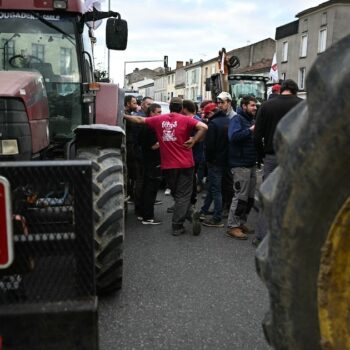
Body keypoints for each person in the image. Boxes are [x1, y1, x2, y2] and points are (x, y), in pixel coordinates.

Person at [124, 97, 208, 236]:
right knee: (183, 195)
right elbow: (204, 127)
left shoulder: (159, 120)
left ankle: (186, 215)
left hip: (168, 166)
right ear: (181, 108)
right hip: (186, 164)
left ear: (169, 107)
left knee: (177, 194)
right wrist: (194, 139)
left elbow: (139, 120)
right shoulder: (186, 119)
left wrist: (123, 115)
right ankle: (178, 224)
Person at [253, 79, 303, 246]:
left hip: (272, 156)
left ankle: (262, 235)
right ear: (295, 91)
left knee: (268, 196)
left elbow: (257, 134)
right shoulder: (303, 106)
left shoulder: (266, 106)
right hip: (294, 157)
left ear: (281, 90)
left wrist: (261, 156)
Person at [226, 95, 258, 240]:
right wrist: (250, 130)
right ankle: (233, 226)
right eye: (252, 105)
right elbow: (233, 137)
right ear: (244, 106)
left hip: (250, 163)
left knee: (249, 198)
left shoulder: (250, 119)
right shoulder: (237, 119)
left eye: (255, 105)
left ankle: (241, 222)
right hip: (240, 164)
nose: (255, 108)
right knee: (240, 197)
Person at [200, 100, 230, 228]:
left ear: (211, 112)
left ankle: (217, 217)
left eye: (207, 115)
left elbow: (210, 146)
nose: (206, 118)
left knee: (215, 189)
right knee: (213, 186)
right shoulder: (228, 121)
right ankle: (204, 210)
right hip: (225, 159)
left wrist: (209, 160)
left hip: (215, 161)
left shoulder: (213, 124)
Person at [139, 103, 163, 224]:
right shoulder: (151, 126)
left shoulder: (145, 124)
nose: (160, 114)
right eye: (158, 112)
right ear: (152, 113)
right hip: (152, 161)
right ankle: (148, 217)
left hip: (147, 160)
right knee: (151, 189)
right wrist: (163, 142)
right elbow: (152, 146)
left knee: (146, 188)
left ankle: (143, 213)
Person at [124, 95, 139, 205]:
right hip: (129, 145)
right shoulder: (126, 115)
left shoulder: (129, 113)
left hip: (131, 144)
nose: (136, 105)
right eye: (134, 103)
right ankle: (131, 194)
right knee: (132, 171)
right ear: (128, 104)